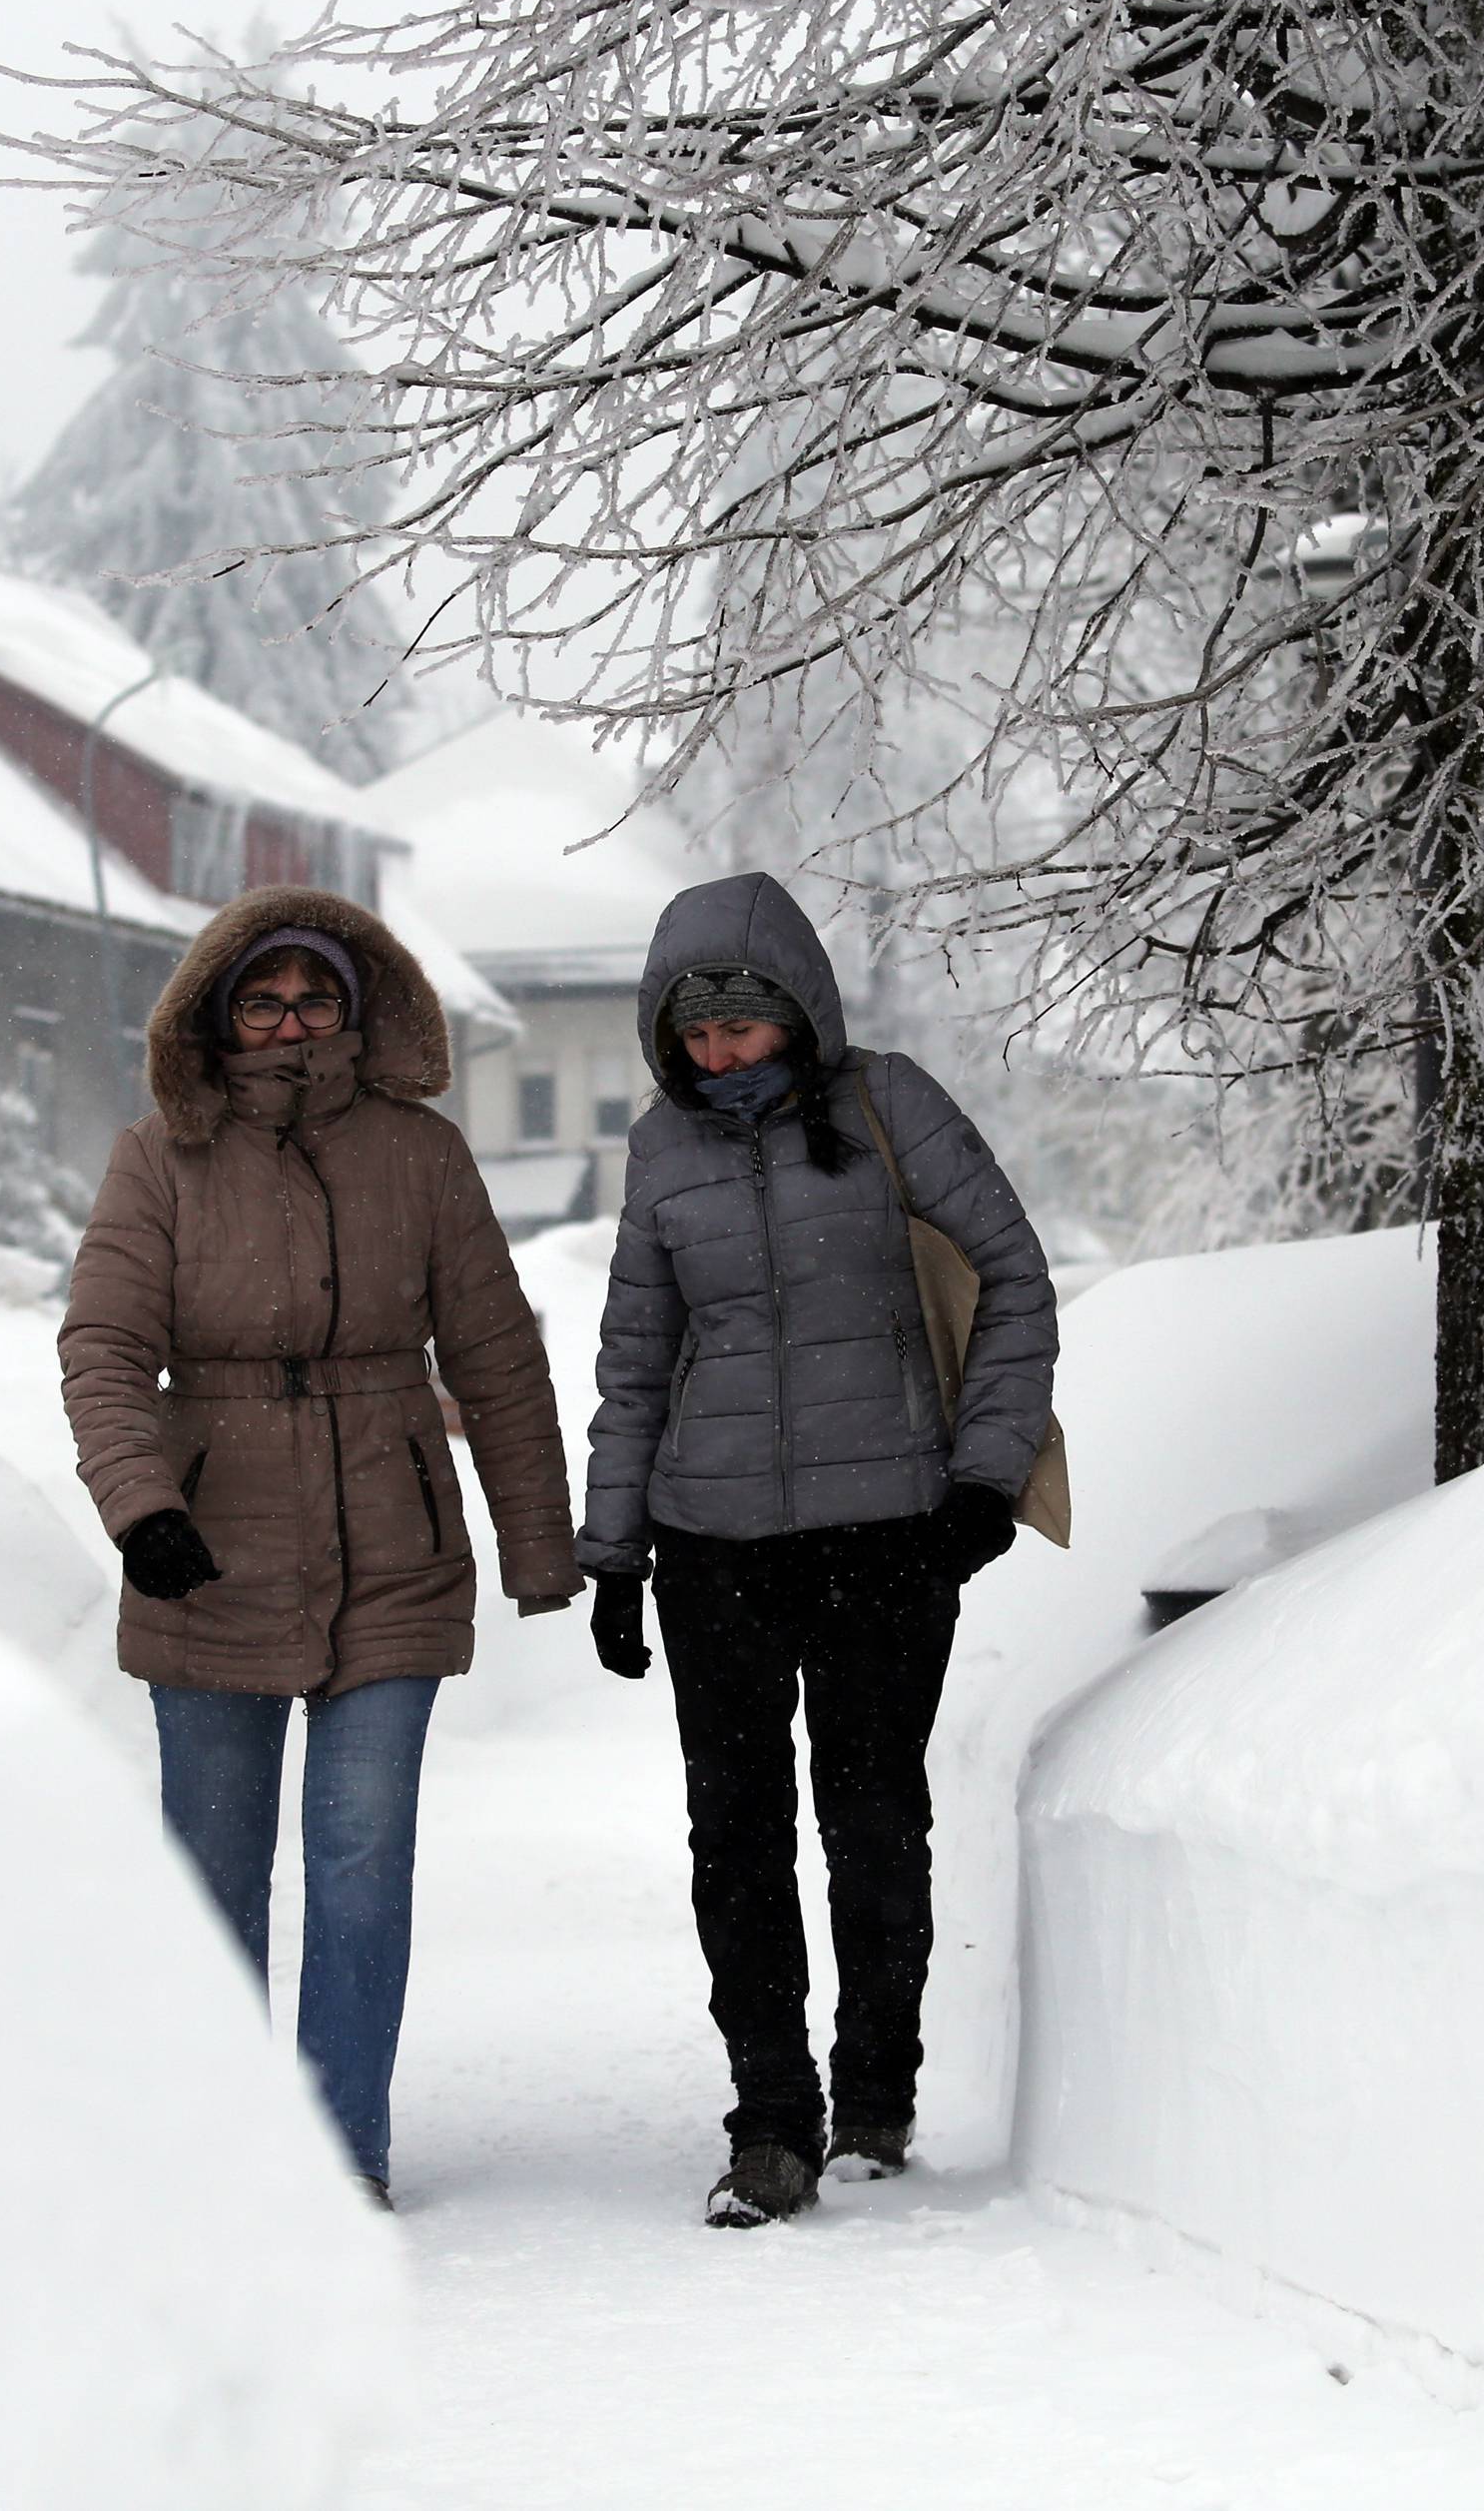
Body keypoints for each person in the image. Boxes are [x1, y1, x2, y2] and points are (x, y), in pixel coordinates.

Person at [60, 886, 583, 2206]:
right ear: (215, 1014)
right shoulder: (156, 1159)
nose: (290, 1023)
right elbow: (106, 1348)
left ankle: (337, 2155)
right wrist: (142, 1505)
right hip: (210, 1549)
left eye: (315, 999)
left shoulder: (421, 1155)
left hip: (391, 1544)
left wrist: (538, 1543)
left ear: (357, 1012)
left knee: (359, 1861)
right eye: (263, 999)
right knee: (216, 1875)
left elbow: (496, 1357)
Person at [577, 871, 1058, 2228]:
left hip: (889, 1535)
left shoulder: (891, 1105)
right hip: (713, 1544)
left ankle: (876, 2097)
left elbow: (1013, 1277)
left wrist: (981, 1484)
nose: (718, 1055)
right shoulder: (660, 1151)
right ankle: (771, 2122)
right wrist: (614, 1552)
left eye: (742, 1027)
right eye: (695, 1034)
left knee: (871, 1823)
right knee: (734, 1839)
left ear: (800, 1010)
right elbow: (637, 1358)